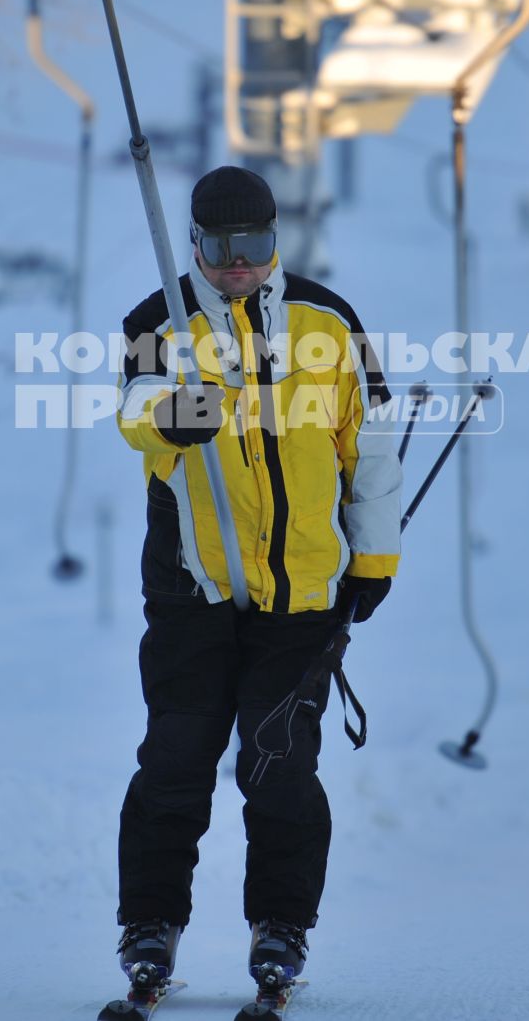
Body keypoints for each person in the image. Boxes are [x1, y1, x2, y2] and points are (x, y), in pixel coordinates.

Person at [110, 165, 402, 1001]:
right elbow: (135, 411)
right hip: (190, 590)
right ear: (196, 242)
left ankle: (282, 924)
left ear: (276, 238)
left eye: (257, 244)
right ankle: (149, 925)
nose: (240, 262)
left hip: (301, 596)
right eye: (222, 246)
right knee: (175, 760)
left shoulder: (329, 320)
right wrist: (180, 410)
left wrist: (374, 559)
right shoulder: (152, 322)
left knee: (276, 765)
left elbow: (370, 447)